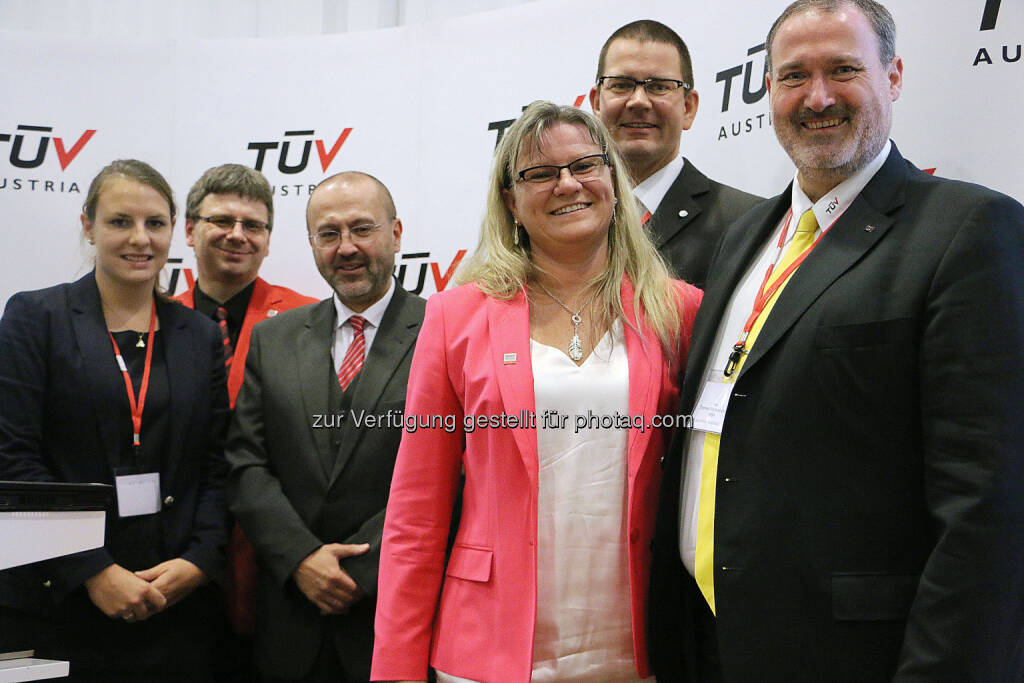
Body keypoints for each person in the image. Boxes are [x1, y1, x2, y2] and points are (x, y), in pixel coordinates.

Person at [648, 1, 1024, 681]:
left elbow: (987, 505)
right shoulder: (745, 238)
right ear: (768, 89)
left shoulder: (968, 231)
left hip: (854, 655)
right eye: (794, 76)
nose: (817, 97)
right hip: (711, 641)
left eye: (843, 69)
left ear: (895, 76)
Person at [371, 101, 702, 683]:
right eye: (539, 173)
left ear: (614, 183)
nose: (567, 184)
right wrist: (396, 669)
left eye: (584, 165)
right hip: (485, 652)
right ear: (510, 202)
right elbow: (415, 517)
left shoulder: (678, 311)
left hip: (643, 648)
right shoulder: (455, 317)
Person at [0, 159, 230, 681]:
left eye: (155, 223)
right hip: (58, 602)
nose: (139, 239)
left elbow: (217, 465)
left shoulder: (197, 334)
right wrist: (92, 569)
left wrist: (198, 563)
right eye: (119, 221)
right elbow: (13, 461)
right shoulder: (36, 318)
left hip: (173, 603)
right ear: (88, 225)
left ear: (176, 230)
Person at [226, 171, 426, 682]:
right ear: (312, 242)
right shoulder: (274, 339)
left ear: (397, 233)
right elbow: (246, 464)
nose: (347, 248)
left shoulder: (444, 331)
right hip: (291, 621)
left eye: (362, 229)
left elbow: (460, 473)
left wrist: (362, 569)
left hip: (397, 617)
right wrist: (301, 559)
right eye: (329, 234)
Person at [174, 163, 316, 660]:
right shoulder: (153, 320)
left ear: (269, 240)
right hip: (176, 553)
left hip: (276, 558)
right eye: (222, 221)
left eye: (253, 225)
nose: (238, 235)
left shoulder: (308, 320)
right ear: (189, 230)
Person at [590, 20, 761, 289]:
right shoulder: (570, 219)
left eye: (658, 86)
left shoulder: (748, 223)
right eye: (621, 85)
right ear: (596, 104)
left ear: (688, 107)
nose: (638, 101)